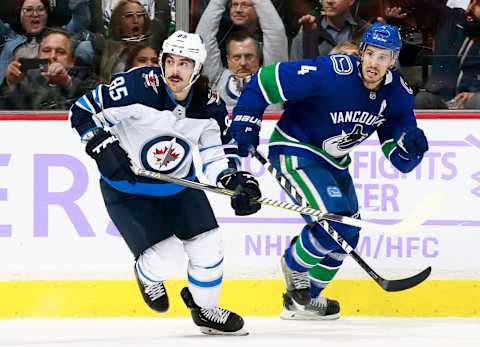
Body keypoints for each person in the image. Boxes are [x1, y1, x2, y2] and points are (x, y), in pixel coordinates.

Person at [230, 22, 429, 320]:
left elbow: (398, 159)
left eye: (383, 56)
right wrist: (246, 119)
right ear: (361, 52)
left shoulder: (397, 95)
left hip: (334, 163)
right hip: (295, 149)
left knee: (348, 234)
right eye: (370, 53)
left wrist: (412, 150)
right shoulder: (331, 72)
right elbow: (265, 80)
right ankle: (294, 266)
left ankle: (304, 300)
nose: (374, 63)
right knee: (335, 220)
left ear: (393, 60)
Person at [69, 31, 262, 335]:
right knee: (167, 256)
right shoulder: (135, 87)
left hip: (179, 186)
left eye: (184, 64)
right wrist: (100, 144)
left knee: (209, 247)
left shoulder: (209, 108)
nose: (174, 70)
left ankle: (206, 310)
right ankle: (147, 274)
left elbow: (216, 155)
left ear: (197, 69)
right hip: (127, 189)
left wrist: (233, 180)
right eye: (169, 61)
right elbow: (82, 111)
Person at [0, 29, 97, 109]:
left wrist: (68, 84)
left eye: (60, 52)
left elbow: (96, 106)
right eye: (46, 51)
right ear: (39, 56)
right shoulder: (27, 80)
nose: (52, 56)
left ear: (72, 61)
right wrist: (11, 85)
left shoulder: (87, 79)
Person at [290, 0, 369, 60]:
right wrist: (309, 37)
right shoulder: (305, 34)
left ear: (351, 1)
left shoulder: (367, 32)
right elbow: (295, 74)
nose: (329, 1)